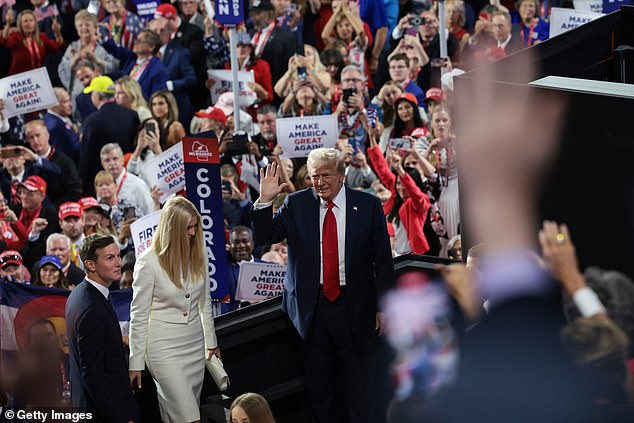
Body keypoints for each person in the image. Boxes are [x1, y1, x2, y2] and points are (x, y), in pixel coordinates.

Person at [251, 151, 394, 423]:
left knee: (358, 387)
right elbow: (265, 236)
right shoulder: (296, 204)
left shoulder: (368, 205)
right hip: (311, 309)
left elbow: (383, 262)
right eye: (314, 176)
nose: (319, 182)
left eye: (325, 175)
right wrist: (265, 200)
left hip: (355, 308)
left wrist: (383, 307)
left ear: (341, 176)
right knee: (320, 390)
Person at [129, 196, 220, 423]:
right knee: (190, 417)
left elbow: (204, 302)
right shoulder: (147, 262)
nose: (192, 232)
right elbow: (138, 316)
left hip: (194, 344)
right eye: (187, 227)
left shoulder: (198, 251)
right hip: (163, 349)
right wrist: (136, 362)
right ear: (172, 228)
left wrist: (211, 341)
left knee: (175, 415)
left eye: (194, 226)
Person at [65, 233, 140, 422]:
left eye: (118, 256)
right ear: (90, 265)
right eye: (110, 258)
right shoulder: (91, 308)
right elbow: (93, 375)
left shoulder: (82, 294)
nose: (118, 263)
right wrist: (122, 417)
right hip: (103, 413)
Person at [80, 75, 140, 197]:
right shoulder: (132, 115)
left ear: (98, 96)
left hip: (102, 185)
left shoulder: (91, 121)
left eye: (92, 94)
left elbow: (86, 158)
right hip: (129, 177)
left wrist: (83, 186)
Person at [58, 10, 119, 104]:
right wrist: (73, 62)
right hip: (77, 96)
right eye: (80, 25)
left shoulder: (104, 45)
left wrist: (96, 60)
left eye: (87, 25)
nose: (84, 28)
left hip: (101, 96)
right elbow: (61, 71)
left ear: (95, 27)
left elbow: (115, 68)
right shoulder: (73, 47)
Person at [24, 119, 81, 206]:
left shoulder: (65, 162)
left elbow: (74, 192)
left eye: (38, 135)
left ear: (47, 135)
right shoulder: (27, 164)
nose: (35, 140)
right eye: (31, 137)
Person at [101, 29, 169, 101]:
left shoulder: (157, 70)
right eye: (136, 40)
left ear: (151, 47)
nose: (135, 43)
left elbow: (156, 97)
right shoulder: (132, 58)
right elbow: (116, 50)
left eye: (140, 41)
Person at [0, 9, 65, 75]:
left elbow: (58, 46)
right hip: (19, 79)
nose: (29, 23)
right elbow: (4, 41)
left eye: (31, 20)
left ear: (35, 23)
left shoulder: (41, 37)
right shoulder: (16, 36)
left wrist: (57, 32)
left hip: (37, 77)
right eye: (26, 21)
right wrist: (8, 24)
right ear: (20, 24)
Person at [99, 143, 154, 217]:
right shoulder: (101, 187)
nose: (112, 163)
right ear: (102, 164)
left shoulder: (138, 185)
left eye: (115, 159)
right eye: (107, 160)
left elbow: (151, 212)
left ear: (122, 159)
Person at [43, 87, 81, 164]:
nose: (70, 104)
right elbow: (65, 154)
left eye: (69, 100)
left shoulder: (59, 118)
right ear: (53, 104)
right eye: (65, 102)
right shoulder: (54, 126)